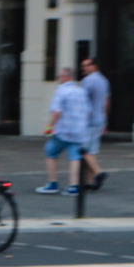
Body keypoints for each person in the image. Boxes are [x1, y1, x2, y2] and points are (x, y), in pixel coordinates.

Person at [36, 67, 90, 196]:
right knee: (75, 157)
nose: (58, 79)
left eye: (60, 76)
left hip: (64, 131)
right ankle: (74, 186)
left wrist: (49, 126)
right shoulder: (81, 91)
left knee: (50, 151)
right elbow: (88, 111)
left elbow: (56, 111)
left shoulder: (61, 91)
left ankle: (52, 183)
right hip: (78, 131)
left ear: (66, 77)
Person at [80, 56, 110, 190]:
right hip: (99, 119)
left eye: (87, 65)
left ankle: (98, 173)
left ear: (95, 66)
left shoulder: (87, 81)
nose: (84, 68)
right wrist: (105, 119)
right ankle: (89, 181)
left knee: (84, 151)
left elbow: (83, 102)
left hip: (88, 121)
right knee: (91, 151)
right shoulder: (104, 80)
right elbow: (106, 101)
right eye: (83, 66)